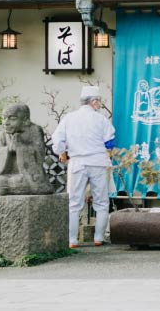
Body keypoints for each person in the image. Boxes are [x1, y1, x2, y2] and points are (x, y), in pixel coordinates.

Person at [50, 85, 115, 248]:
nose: (100, 104)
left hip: (77, 162)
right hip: (98, 163)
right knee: (101, 202)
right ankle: (99, 238)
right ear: (93, 102)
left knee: (73, 202)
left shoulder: (69, 118)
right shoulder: (101, 119)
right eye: (99, 101)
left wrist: (62, 152)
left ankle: (72, 240)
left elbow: (57, 140)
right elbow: (110, 142)